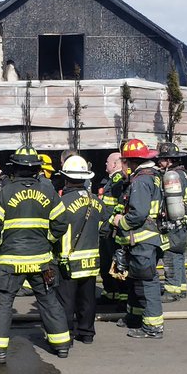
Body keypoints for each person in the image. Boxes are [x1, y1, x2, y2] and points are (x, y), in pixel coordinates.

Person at [0, 147, 71, 362]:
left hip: (11, 260)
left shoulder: (4, 192)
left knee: (2, 302)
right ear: (36, 168)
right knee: (48, 300)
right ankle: (61, 345)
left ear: (15, 168)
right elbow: (61, 223)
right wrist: (47, 240)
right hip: (41, 260)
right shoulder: (48, 191)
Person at [110, 139, 167, 339]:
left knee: (148, 281)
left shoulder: (141, 181)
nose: (123, 165)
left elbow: (138, 214)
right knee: (135, 278)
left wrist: (119, 223)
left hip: (144, 239)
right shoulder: (149, 176)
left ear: (132, 161)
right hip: (142, 240)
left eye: (124, 161)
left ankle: (153, 327)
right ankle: (134, 317)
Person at [55, 155, 103, 344]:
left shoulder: (62, 202)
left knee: (66, 300)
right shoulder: (97, 202)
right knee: (88, 298)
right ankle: (87, 333)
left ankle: (66, 334)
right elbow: (105, 227)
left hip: (69, 261)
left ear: (66, 178)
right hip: (91, 260)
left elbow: (56, 230)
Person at [155, 142, 187, 302]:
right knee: (179, 254)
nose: (159, 162)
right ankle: (181, 287)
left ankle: (172, 290)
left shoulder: (172, 177)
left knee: (170, 253)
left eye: (162, 159)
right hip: (185, 221)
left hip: (173, 222)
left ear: (169, 160)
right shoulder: (184, 174)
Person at [98, 151, 129, 307]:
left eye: (108, 162)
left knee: (116, 263)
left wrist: (110, 222)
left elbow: (118, 205)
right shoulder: (110, 181)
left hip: (112, 230)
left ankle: (122, 297)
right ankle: (110, 293)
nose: (105, 164)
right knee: (105, 264)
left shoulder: (118, 180)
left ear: (115, 164)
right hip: (107, 229)